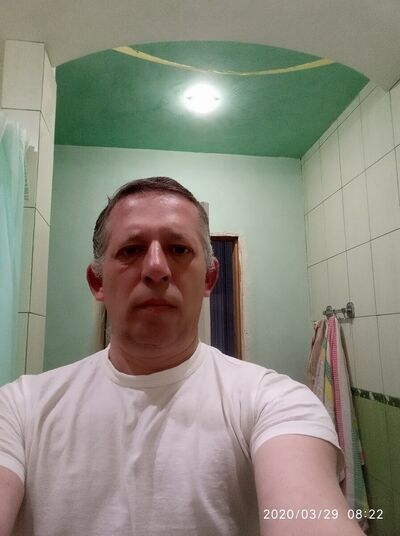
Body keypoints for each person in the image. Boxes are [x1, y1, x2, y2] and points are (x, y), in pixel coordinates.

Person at [0, 177, 364, 536]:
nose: (156, 268)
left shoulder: (275, 402)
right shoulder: (20, 409)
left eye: (178, 249)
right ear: (98, 283)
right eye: (131, 250)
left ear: (209, 278)